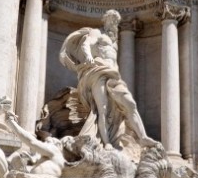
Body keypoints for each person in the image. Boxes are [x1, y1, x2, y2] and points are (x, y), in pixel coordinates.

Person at [59, 10, 157, 149]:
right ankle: (107, 143)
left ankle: (143, 137)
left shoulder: (114, 42)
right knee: (102, 109)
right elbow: (86, 44)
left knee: (130, 104)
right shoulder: (97, 33)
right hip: (98, 71)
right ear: (105, 20)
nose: (113, 23)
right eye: (111, 20)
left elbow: (114, 62)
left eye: (115, 21)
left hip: (113, 75)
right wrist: (88, 57)